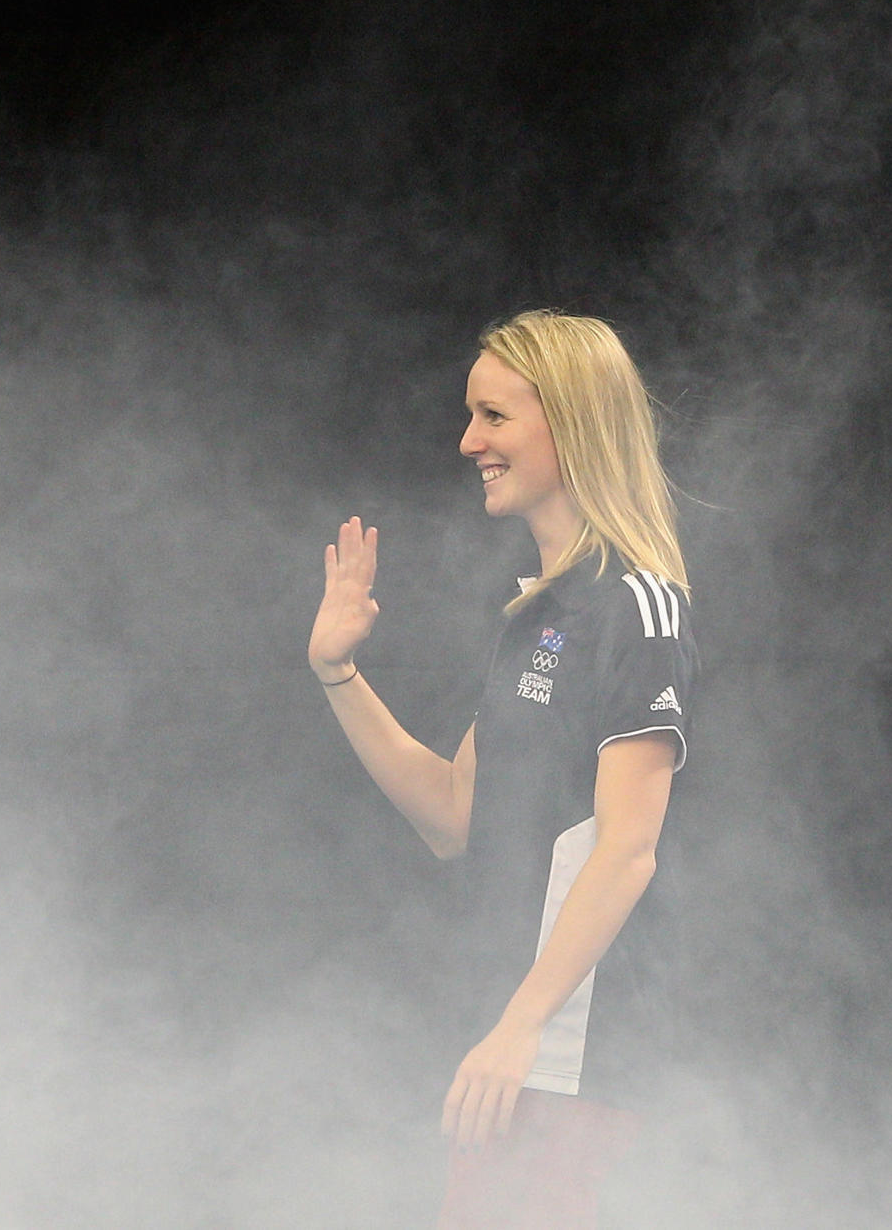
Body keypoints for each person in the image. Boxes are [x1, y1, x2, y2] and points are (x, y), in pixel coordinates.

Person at [307, 309, 698, 1229]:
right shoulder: (536, 610)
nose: (467, 440)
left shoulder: (637, 601)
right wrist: (336, 671)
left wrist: (523, 1025)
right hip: (506, 1051)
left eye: (492, 416)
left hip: (567, 1059)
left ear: (568, 419)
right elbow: (453, 815)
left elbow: (628, 850)